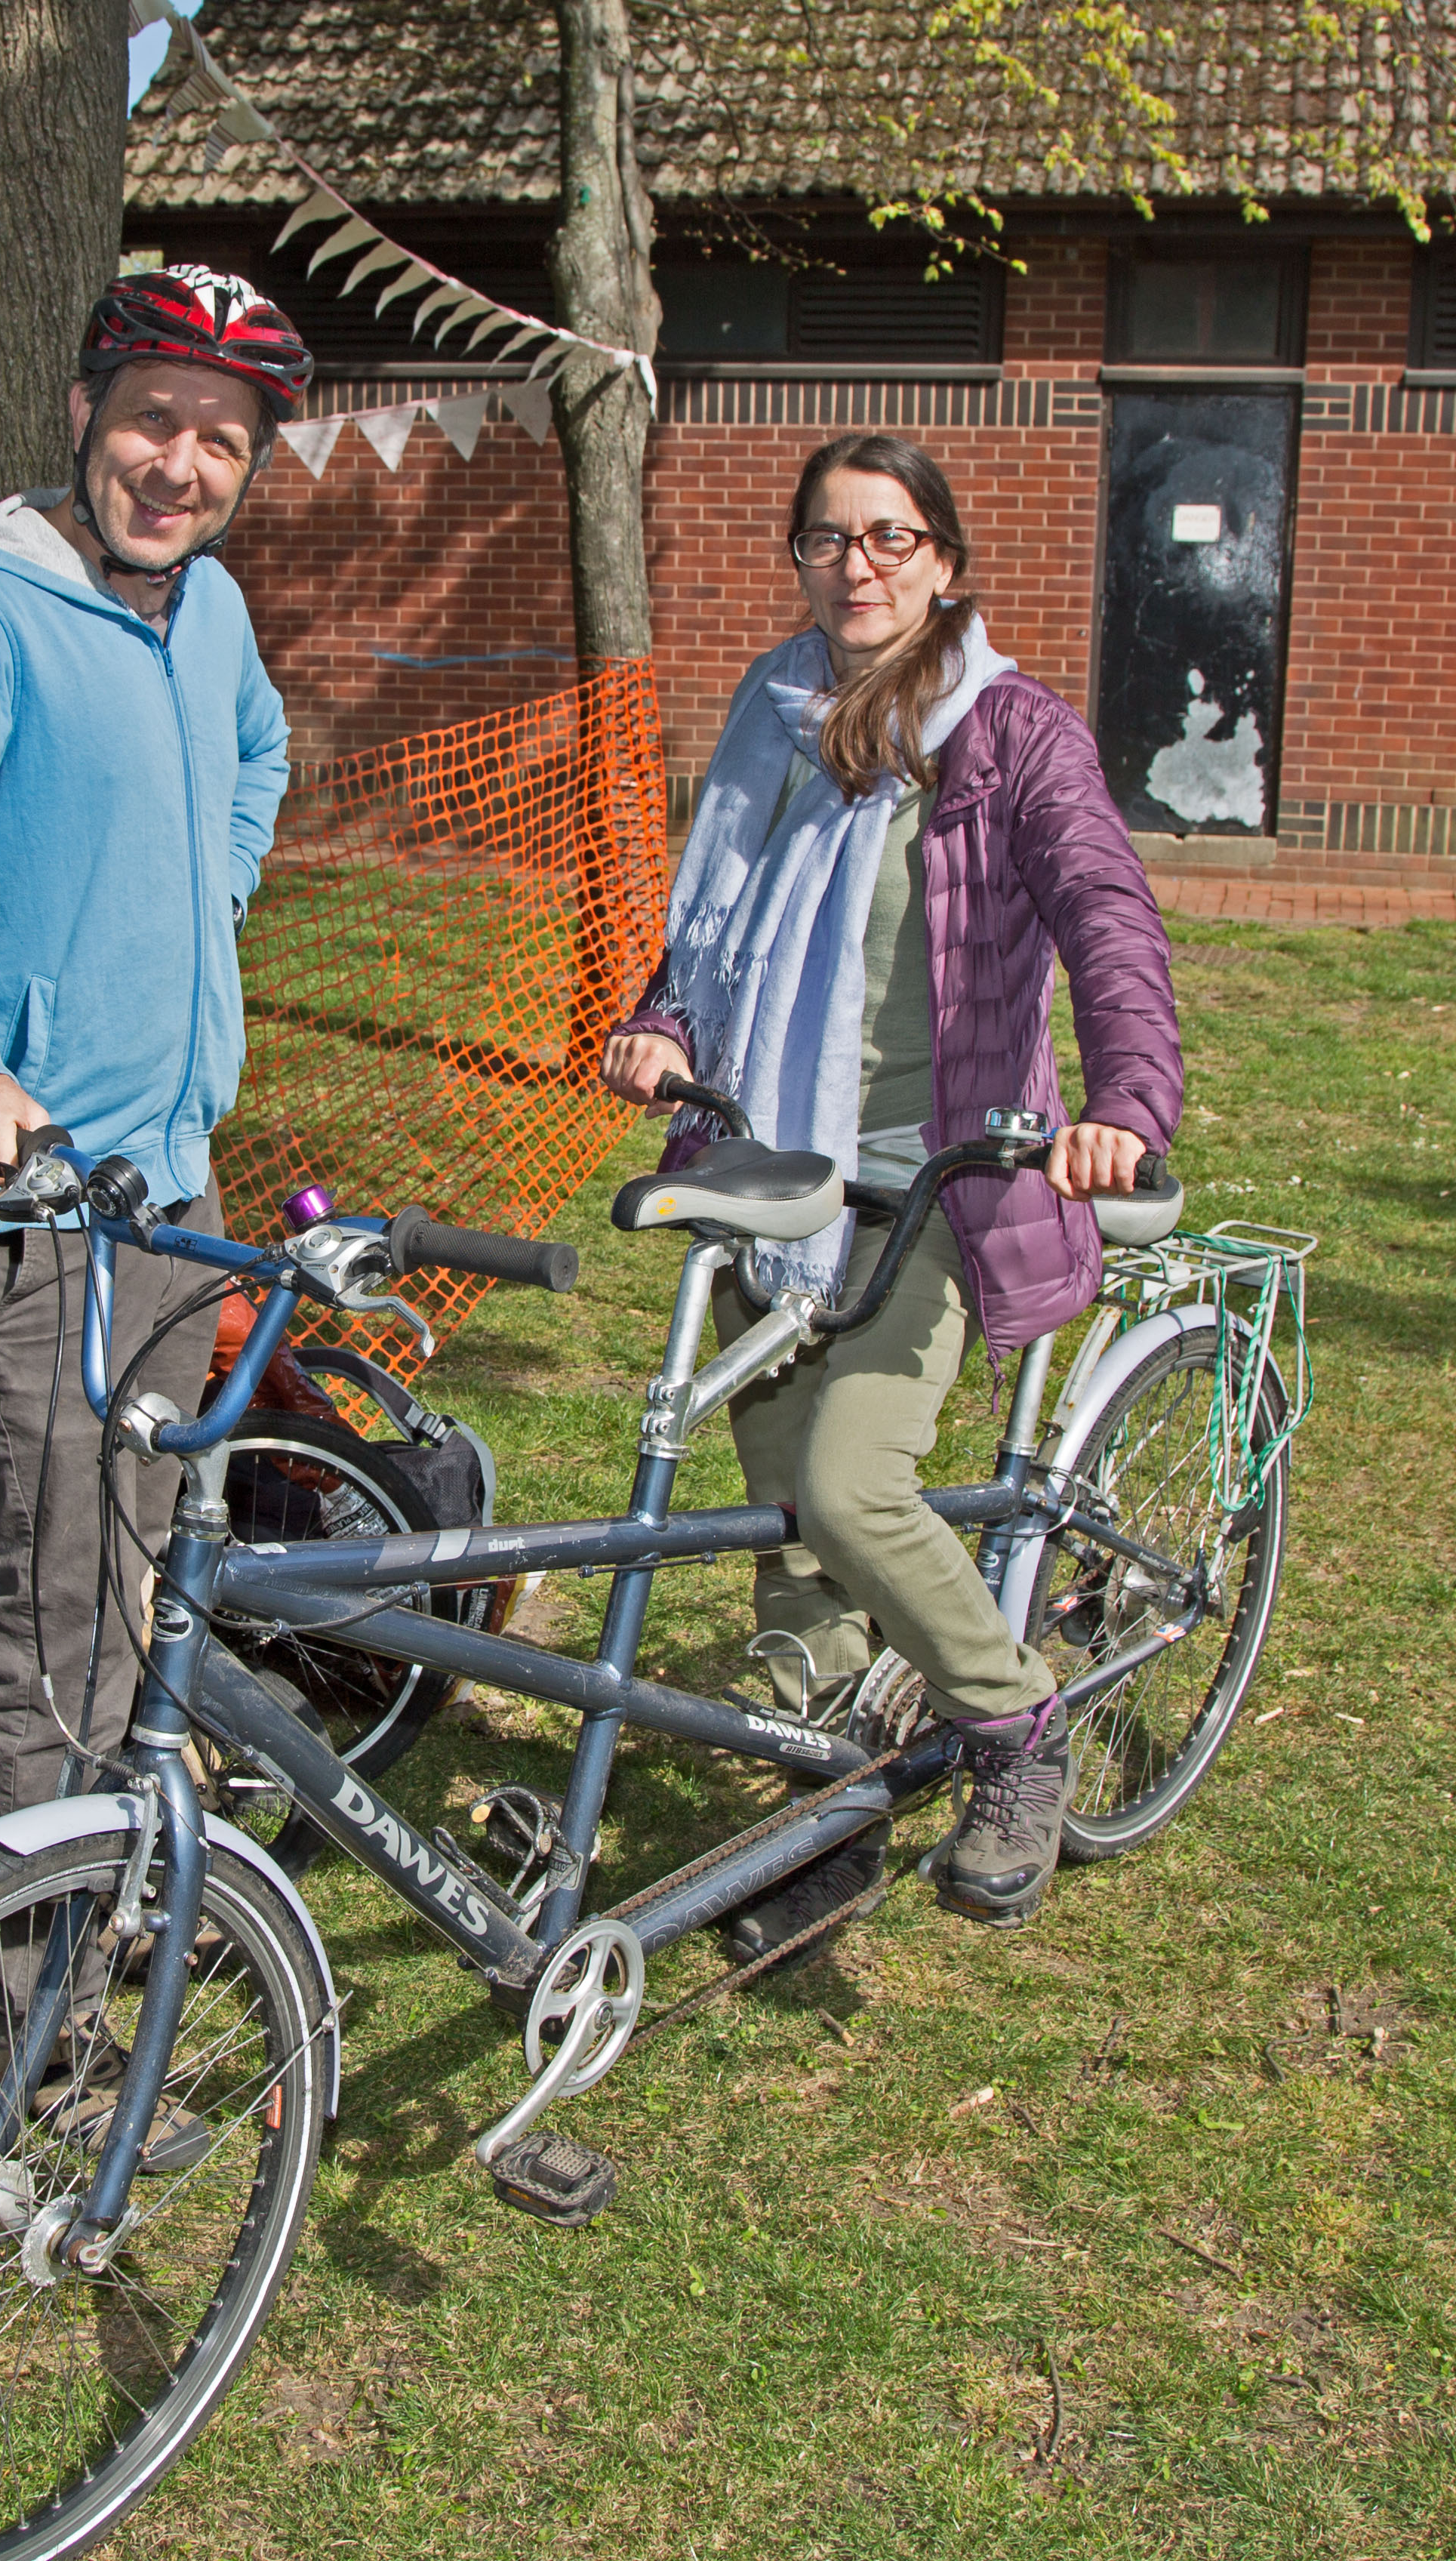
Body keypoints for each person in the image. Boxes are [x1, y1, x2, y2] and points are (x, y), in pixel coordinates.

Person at [602, 432, 1180, 1940]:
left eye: (888, 537)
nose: (854, 566)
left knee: (851, 1481)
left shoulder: (1010, 734)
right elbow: (716, 921)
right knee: (787, 1514)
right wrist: (663, 1023)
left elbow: (1105, 912)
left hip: (941, 1170)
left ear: (940, 561)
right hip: (772, 1158)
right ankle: (828, 1806)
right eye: (826, 539)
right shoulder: (772, 711)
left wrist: (1124, 1100)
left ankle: (1013, 1727)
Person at [0, 267, 311, 2141]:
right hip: (27, 1203)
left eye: (219, 439)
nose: (177, 466)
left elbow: (256, 756)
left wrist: (205, 904)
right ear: (80, 409)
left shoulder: (207, 617)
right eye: (150, 422)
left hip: (171, 1189)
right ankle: (38, 2031)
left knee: (125, 1578)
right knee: (52, 1612)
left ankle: (93, 1895)